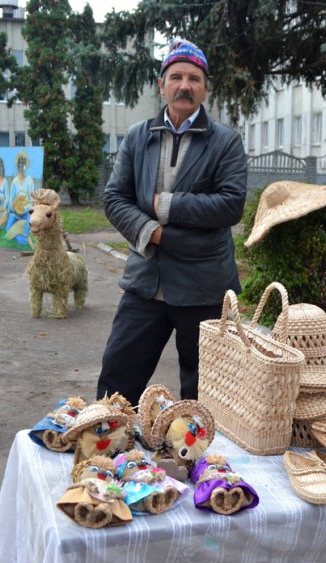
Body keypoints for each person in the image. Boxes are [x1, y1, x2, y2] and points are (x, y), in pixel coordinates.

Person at [97, 39, 247, 407]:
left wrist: (163, 204)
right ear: (161, 85)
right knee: (117, 380)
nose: (184, 85)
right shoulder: (137, 136)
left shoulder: (226, 142)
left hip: (204, 285)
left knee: (203, 394)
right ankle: (108, 451)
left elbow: (230, 206)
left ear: (205, 88)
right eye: (176, 76)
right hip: (145, 280)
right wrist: (155, 232)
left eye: (194, 78)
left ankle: (199, 463)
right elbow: (114, 198)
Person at [5, 150, 35, 248]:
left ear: (26, 165)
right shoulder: (14, 182)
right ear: (17, 165)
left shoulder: (29, 180)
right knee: (8, 231)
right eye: (19, 163)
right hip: (16, 213)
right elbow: (10, 203)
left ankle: (25, 236)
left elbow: (32, 201)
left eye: (23, 163)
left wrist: (24, 208)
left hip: (26, 213)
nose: (21, 165)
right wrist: (17, 204)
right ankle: (26, 240)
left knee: (26, 229)